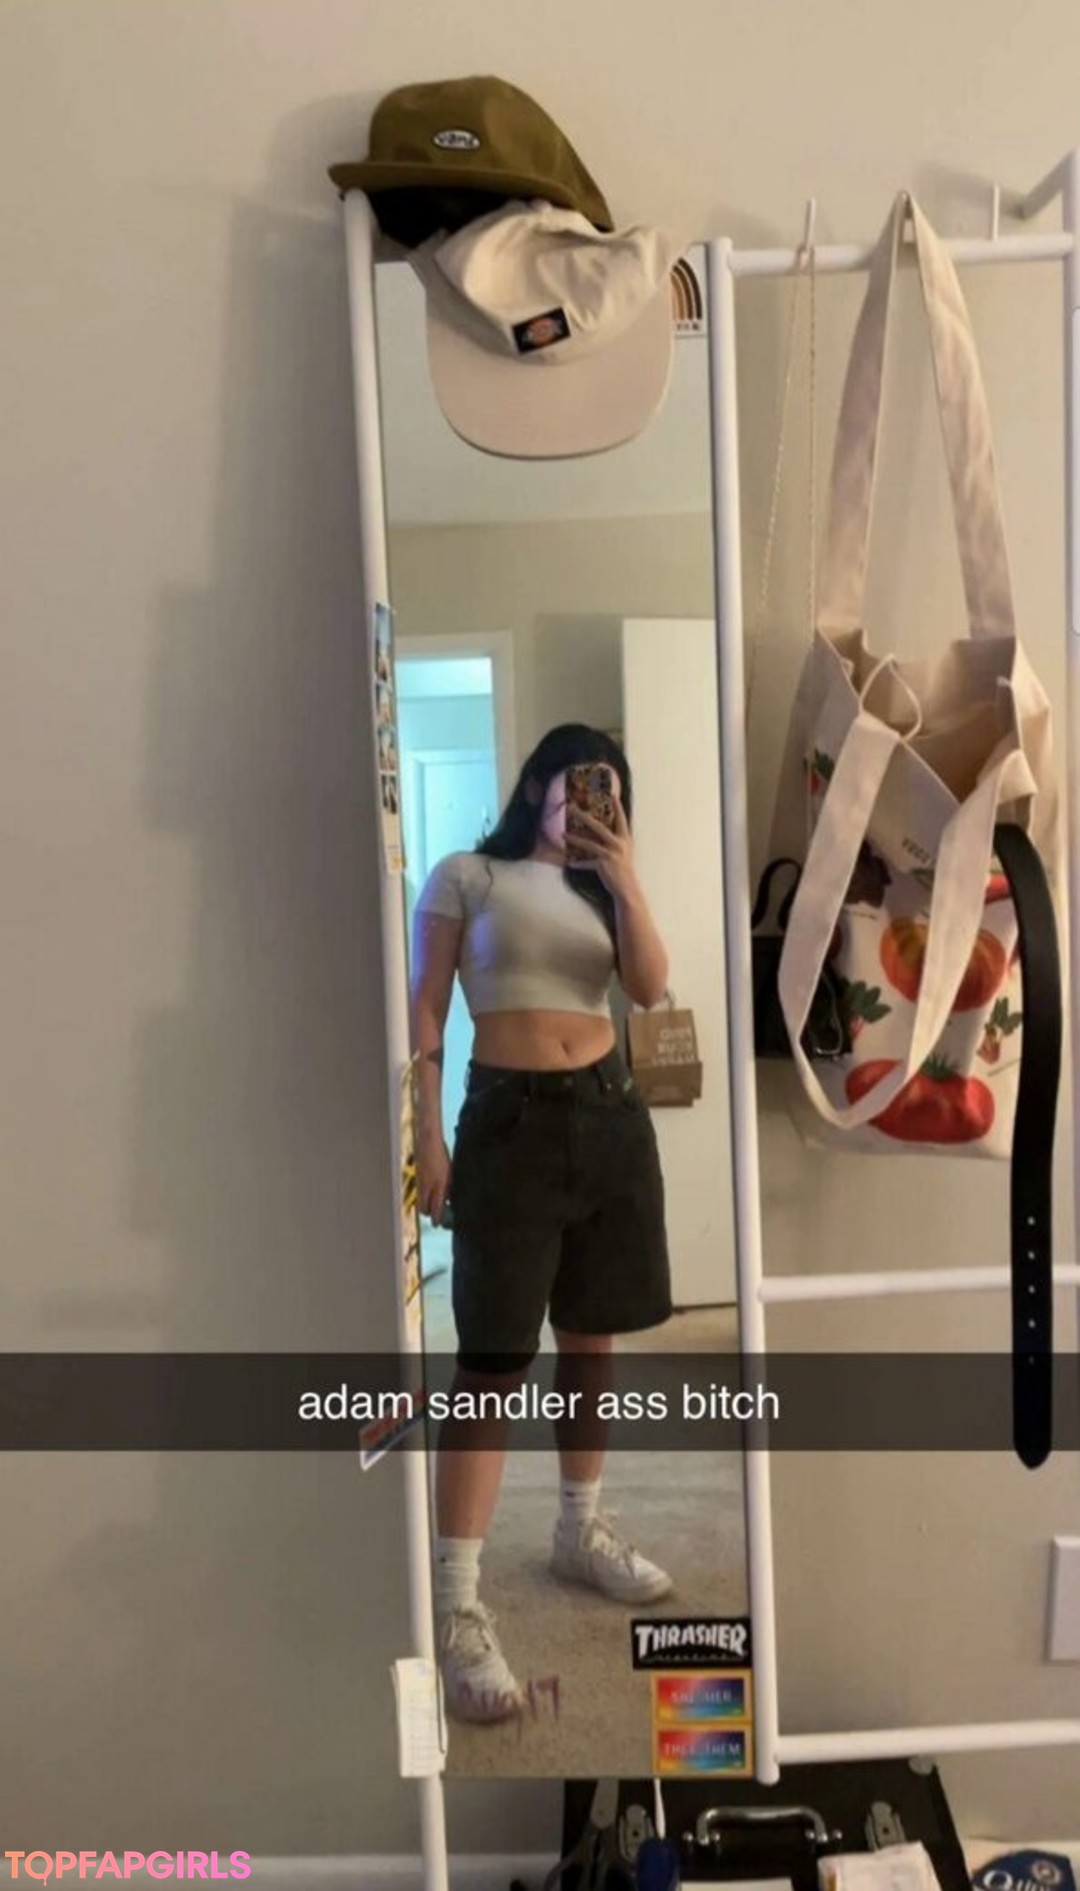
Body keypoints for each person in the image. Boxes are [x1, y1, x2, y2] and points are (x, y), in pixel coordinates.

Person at [409, 722, 675, 1724]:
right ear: (535, 786)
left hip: (610, 1119)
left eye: (610, 787)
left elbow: (648, 987)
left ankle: (578, 1529)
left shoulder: (607, 892)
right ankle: (457, 1601)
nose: (590, 800)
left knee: (592, 1340)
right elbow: (426, 1012)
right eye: (577, 781)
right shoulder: (467, 876)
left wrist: (627, 879)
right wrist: (425, 1137)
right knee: (491, 1361)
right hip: (507, 1125)